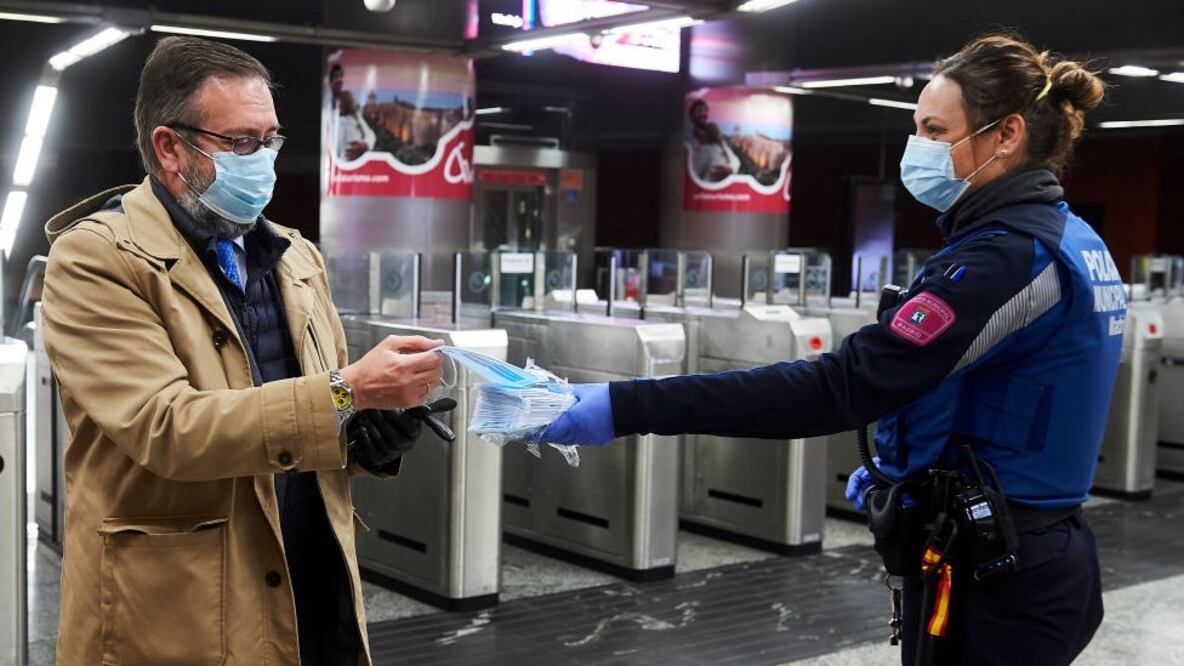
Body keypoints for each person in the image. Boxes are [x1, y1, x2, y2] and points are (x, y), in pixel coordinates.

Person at [543, 34, 1119, 666]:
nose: (917, 148)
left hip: (1003, 577)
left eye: (933, 129)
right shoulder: (1071, 237)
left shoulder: (1007, 255)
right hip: (1026, 550)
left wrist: (623, 406)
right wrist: (912, 473)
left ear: (1005, 135)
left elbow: (839, 387)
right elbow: (1000, 390)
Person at [42, 36, 445, 665]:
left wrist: (367, 434)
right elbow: (166, 427)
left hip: (309, 580)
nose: (264, 160)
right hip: (183, 604)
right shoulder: (96, 257)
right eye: (241, 143)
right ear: (170, 147)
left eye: (271, 139)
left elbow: (311, 413)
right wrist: (348, 392)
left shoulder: (296, 257)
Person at [328, 62, 376, 161]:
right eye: (336, 76)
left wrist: (364, 145)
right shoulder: (326, 109)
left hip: (354, 167)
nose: (340, 80)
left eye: (341, 76)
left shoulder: (351, 109)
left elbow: (371, 135)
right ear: (329, 81)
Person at [687, 99, 739, 182]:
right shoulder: (688, 140)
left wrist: (729, 169)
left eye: (705, 111)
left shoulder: (717, 141)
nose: (703, 114)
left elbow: (735, 161)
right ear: (691, 116)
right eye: (699, 111)